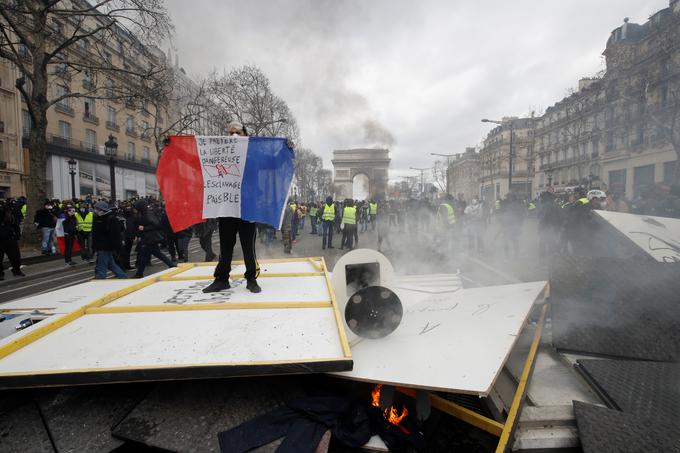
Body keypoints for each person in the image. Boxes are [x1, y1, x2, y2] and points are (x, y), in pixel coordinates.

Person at [203, 121, 261, 293]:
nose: (234, 136)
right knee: (225, 246)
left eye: (238, 132)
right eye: (231, 133)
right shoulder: (220, 153)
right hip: (226, 207)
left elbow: (271, 161)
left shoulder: (253, 153)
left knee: (248, 247)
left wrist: (285, 147)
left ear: (245, 134)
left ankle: (251, 279)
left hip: (246, 208)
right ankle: (221, 279)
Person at [132, 199, 176, 278]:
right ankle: (171, 265)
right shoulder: (145, 212)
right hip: (149, 238)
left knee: (143, 256)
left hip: (150, 238)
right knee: (155, 254)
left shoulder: (148, 213)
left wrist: (144, 228)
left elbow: (157, 224)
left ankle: (139, 273)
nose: (135, 209)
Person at [92, 201, 127, 279]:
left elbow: (116, 235)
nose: (95, 211)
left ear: (102, 210)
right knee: (111, 264)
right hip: (102, 246)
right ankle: (122, 276)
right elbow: (95, 234)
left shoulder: (111, 219)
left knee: (101, 266)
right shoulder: (97, 218)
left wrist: (118, 247)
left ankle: (100, 280)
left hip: (105, 247)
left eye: (97, 209)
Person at [0, 200, 25, 280]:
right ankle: (1, 274)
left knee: (15, 257)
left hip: (10, 238)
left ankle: (16, 270)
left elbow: (15, 226)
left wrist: (17, 236)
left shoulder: (11, 218)